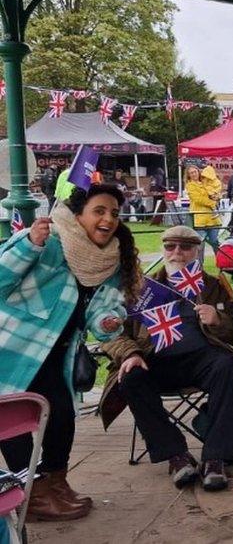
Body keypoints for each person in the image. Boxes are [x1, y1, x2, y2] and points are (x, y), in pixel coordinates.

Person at [0, 184, 140, 521]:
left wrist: (109, 322)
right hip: (13, 351)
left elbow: (103, 314)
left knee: (62, 415)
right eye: (99, 211)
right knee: (13, 420)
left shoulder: (108, 261)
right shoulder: (47, 243)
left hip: (56, 355)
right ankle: (30, 494)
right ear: (78, 216)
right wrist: (29, 245)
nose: (108, 219)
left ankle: (55, 483)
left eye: (114, 213)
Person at [98, 226, 233, 492]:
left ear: (197, 251)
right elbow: (110, 334)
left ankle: (215, 457)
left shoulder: (213, 286)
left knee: (227, 365)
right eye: (170, 246)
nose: (177, 253)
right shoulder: (141, 288)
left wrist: (218, 320)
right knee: (130, 377)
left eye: (185, 247)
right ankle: (176, 455)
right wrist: (129, 353)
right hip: (154, 360)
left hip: (203, 360)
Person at [185, 165, 222, 260]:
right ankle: (199, 268)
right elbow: (198, 199)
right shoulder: (189, 185)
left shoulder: (206, 181)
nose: (194, 174)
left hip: (213, 219)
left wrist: (217, 197)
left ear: (198, 171)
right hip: (199, 220)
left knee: (216, 242)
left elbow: (217, 193)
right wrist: (212, 203)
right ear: (188, 175)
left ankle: (223, 264)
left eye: (195, 171)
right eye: (191, 173)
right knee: (199, 245)